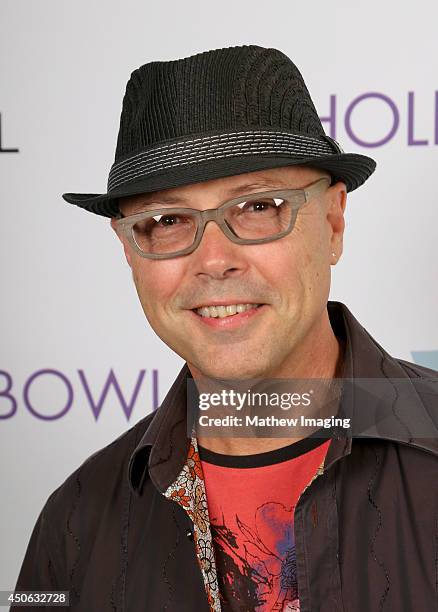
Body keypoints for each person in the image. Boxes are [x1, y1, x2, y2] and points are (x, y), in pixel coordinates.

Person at [13, 45, 438, 612]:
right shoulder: (75, 522)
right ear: (128, 250)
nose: (215, 260)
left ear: (333, 223)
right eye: (166, 221)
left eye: (258, 207)